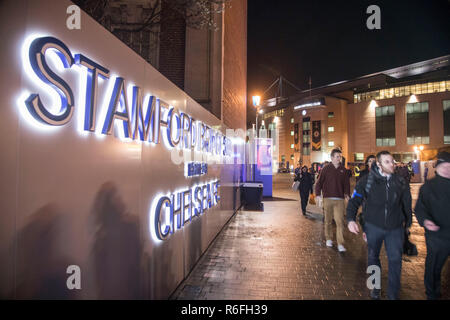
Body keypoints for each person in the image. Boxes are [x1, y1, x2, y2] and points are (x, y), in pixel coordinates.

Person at [347, 151, 412, 300]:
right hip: (373, 227)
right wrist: (350, 219)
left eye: (392, 161)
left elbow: (406, 204)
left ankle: (393, 294)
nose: (392, 165)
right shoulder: (366, 181)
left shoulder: (401, 181)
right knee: (373, 257)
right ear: (379, 164)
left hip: (395, 228)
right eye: (387, 162)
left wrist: (407, 224)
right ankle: (374, 288)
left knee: (395, 260)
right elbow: (354, 201)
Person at [414, 151, 450, 300]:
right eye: (445, 166)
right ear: (437, 167)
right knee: (434, 267)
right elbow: (419, 208)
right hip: (437, 236)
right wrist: (426, 221)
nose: (448, 169)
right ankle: (432, 293)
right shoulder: (429, 187)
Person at [315, 149, 350, 252]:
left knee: (340, 221)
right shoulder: (325, 169)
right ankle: (329, 238)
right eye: (337, 156)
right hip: (328, 199)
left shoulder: (343, 170)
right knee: (328, 221)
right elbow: (319, 183)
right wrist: (317, 195)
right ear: (332, 157)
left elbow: (346, 184)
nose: (339, 158)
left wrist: (347, 194)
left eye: (340, 156)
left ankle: (340, 243)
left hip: (339, 199)